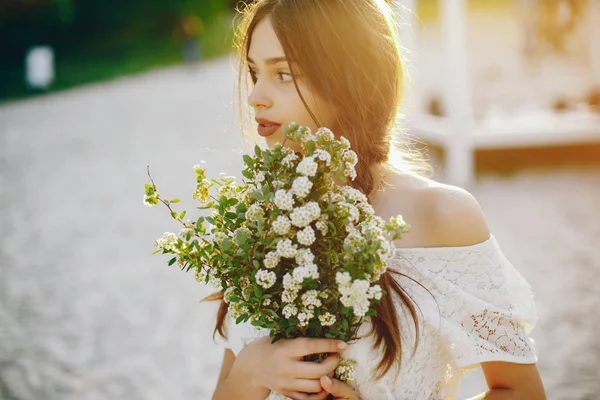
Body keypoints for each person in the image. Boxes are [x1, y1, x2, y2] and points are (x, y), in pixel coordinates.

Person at [211, 1, 546, 399]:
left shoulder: (442, 215)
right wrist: (252, 369)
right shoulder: (261, 221)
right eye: (254, 73)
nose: (256, 98)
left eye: (283, 74)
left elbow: (522, 392)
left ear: (349, 80)